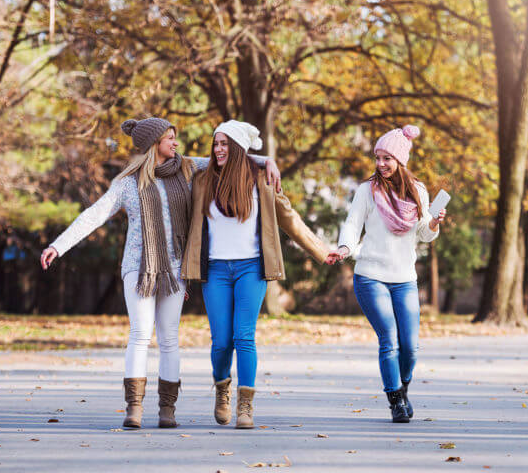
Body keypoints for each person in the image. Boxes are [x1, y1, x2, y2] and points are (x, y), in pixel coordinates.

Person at [39, 117, 280, 429]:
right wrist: (58, 246)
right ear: (154, 143)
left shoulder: (186, 169)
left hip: (175, 270)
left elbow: (232, 154)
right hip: (137, 269)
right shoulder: (127, 183)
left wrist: (268, 159)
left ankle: (167, 409)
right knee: (140, 334)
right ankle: (134, 407)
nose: (176, 143)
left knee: (169, 339)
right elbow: (94, 214)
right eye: (170, 138)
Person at [182, 120, 329, 429]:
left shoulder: (261, 181)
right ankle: (222, 389)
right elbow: (178, 164)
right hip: (216, 270)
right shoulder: (202, 180)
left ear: (237, 148)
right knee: (221, 340)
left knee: (244, 336)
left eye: (225, 144)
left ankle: (245, 406)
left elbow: (288, 217)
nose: (219, 149)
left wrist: (320, 250)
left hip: (251, 268)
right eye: (216, 143)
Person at [326, 125, 446, 423]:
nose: (381, 164)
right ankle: (395, 400)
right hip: (370, 276)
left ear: (400, 160)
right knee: (389, 340)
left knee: (411, 347)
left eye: (387, 158)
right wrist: (344, 247)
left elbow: (422, 233)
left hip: (404, 279)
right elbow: (353, 223)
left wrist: (432, 225)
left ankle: (402, 388)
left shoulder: (417, 191)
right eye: (377, 157)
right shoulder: (368, 190)